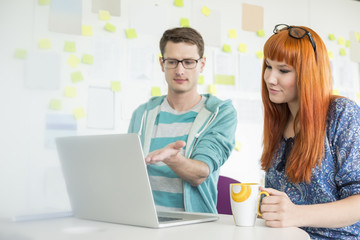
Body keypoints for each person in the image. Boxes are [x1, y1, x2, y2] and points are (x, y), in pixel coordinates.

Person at [259, 24, 360, 239]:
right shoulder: (279, 118)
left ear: (309, 74)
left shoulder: (342, 114)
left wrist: (296, 214)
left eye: (283, 70)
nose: (270, 78)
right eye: (268, 66)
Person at [128, 27, 237, 213]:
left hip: (194, 228)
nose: (180, 70)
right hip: (144, 223)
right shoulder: (143, 113)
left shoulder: (220, 113)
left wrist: (174, 159)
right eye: (172, 62)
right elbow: (129, 173)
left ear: (202, 64)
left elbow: (200, 173)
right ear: (162, 64)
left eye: (188, 62)